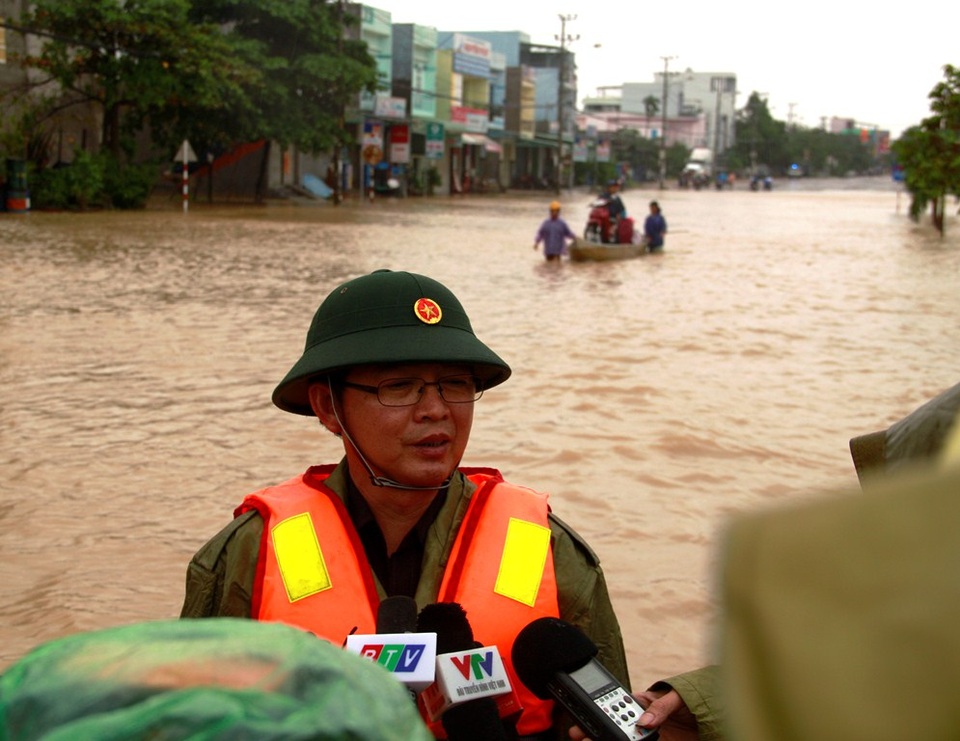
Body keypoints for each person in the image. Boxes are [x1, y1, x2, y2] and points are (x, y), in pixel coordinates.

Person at [180, 269, 630, 740]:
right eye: (399, 386)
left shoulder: (545, 548)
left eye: (454, 383)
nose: (435, 409)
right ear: (329, 408)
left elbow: (613, 716)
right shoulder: (250, 552)